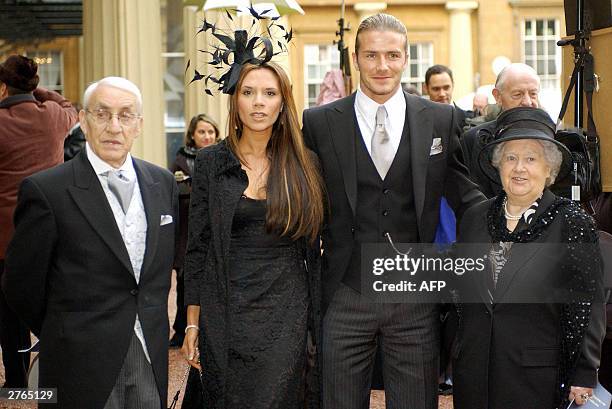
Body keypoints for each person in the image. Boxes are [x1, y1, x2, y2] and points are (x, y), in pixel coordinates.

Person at [301, 13, 484, 409]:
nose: (382, 66)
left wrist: (513, 219)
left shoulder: (440, 118)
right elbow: (304, 199)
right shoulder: (318, 123)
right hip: (345, 291)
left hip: (414, 292)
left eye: (392, 55)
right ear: (355, 58)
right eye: (371, 55)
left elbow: (462, 191)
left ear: (405, 58)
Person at [3, 76, 178, 409]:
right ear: (82, 120)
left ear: (139, 125)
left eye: (125, 115)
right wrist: (65, 329)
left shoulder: (162, 183)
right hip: (78, 359)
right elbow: (20, 284)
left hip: (148, 353)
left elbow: (158, 271)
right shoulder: (46, 191)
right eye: (102, 113)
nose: (114, 126)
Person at [182, 61, 325, 408]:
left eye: (269, 93)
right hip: (225, 306)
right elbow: (197, 248)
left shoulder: (305, 163)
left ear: (282, 102)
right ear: (235, 101)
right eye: (248, 92)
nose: (258, 102)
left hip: (287, 310)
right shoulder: (211, 162)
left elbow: (315, 245)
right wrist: (192, 325)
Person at [453, 107, 605, 409]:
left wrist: (584, 373)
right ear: (498, 166)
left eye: (531, 158)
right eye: (510, 158)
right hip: (473, 373)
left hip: (536, 376)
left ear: (549, 169)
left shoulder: (571, 221)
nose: (519, 168)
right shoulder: (474, 218)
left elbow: (588, 302)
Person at [0, 54, 77, 387]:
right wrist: (35, 91)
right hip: (53, 231)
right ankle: (54, 379)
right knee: (53, 304)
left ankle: (17, 382)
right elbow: (70, 104)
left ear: (3, 86)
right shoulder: (53, 118)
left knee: (9, 313)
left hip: (4, 237)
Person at [168, 113, 220, 348]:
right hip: (187, 233)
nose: (207, 136)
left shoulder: (224, 158)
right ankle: (181, 329)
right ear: (192, 135)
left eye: (210, 132)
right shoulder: (181, 160)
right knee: (185, 282)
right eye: (202, 132)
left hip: (214, 231)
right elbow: (177, 191)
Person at [461, 62, 540, 198]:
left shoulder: (551, 139)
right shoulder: (474, 139)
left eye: (533, 94)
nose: (527, 102)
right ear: (497, 96)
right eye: (517, 94)